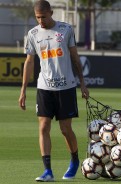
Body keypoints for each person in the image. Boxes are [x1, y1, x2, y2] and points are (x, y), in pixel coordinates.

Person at [18, 0, 89, 182]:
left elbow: (74, 56)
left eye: (43, 16)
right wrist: (23, 90)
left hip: (66, 87)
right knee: (43, 127)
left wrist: (82, 82)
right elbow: (29, 62)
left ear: (51, 13)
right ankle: (47, 171)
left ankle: (74, 160)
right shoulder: (33, 34)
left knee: (66, 129)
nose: (40, 21)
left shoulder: (66, 30)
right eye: (37, 17)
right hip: (44, 87)